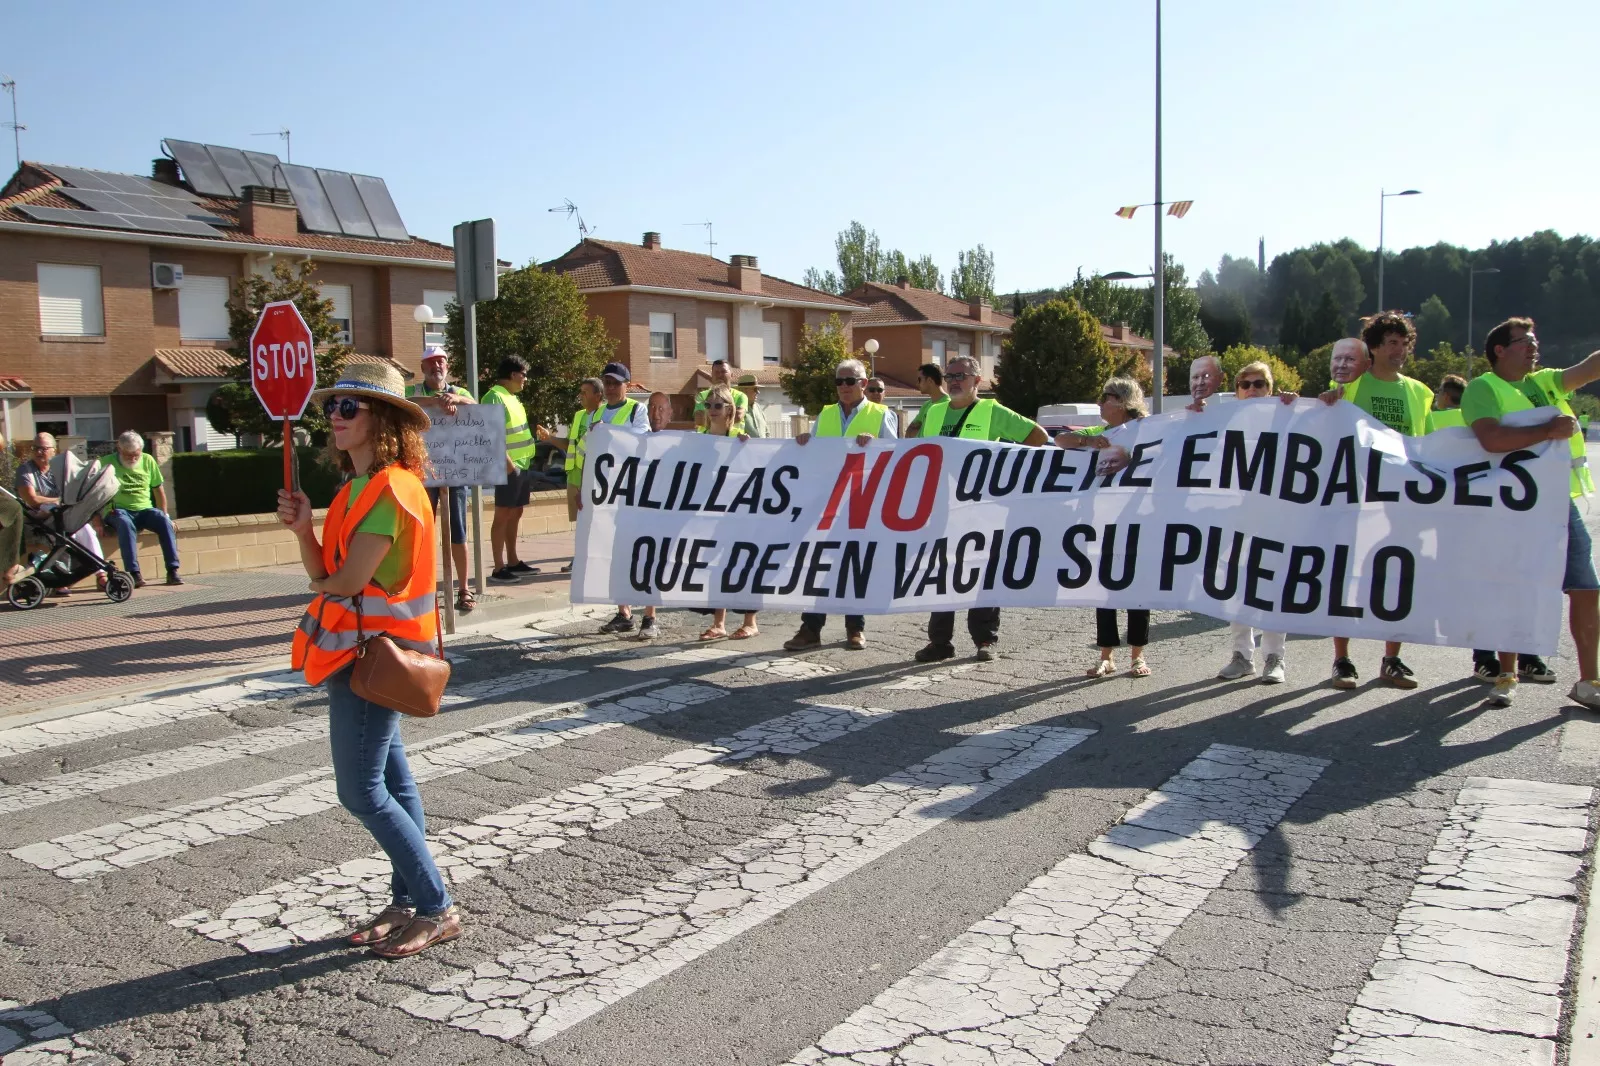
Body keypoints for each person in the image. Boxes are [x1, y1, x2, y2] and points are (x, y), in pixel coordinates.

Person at [276, 362, 460, 958]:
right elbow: (326, 573)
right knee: (393, 784)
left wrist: (325, 578)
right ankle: (408, 902)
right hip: (360, 653)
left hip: (376, 655)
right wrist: (305, 530)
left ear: (383, 420)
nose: (335, 415)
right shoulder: (355, 490)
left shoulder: (390, 488)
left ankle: (436, 906)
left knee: (360, 792)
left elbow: (347, 580)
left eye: (349, 406)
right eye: (333, 405)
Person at [1460, 318, 1600, 709]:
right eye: (1524, 341)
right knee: (1512, 586)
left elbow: (1591, 366)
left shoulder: (1544, 382)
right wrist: (1548, 430)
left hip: (1557, 503)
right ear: (1500, 350)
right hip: (1512, 506)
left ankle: (1590, 681)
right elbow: (1491, 439)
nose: (1533, 347)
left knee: (1586, 587)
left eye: (1535, 341)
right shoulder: (1483, 388)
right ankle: (1506, 674)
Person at [1321, 317, 1431, 690]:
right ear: (1374, 348)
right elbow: (1324, 425)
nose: (1399, 350)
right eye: (1391, 342)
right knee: (1346, 577)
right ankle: (1342, 659)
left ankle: (1391, 660)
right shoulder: (1350, 386)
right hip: (1354, 497)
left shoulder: (1419, 392)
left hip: (1401, 501)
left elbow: (1427, 445)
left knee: (1397, 577)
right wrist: (1325, 401)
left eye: (1404, 343)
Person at [915, 355, 1048, 662]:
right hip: (944, 506)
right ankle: (940, 642)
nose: (954, 381)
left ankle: (985, 639)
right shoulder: (934, 411)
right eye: (950, 376)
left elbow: (1038, 437)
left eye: (961, 375)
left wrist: (1004, 470)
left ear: (977, 380)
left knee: (982, 572)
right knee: (942, 572)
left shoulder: (991, 410)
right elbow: (921, 449)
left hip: (982, 509)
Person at [783, 358, 899, 652]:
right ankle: (811, 629)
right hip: (827, 501)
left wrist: (875, 443)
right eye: (839, 381)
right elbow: (815, 452)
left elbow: (895, 454)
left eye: (850, 381)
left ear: (863, 383)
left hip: (862, 501)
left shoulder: (881, 414)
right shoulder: (826, 414)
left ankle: (855, 628)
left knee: (853, 564)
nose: (844, 386)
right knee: (817, 564)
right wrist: (805, 440)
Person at [1058, 377, 1156, 677]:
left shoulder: (1149, 430)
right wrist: (1088, 442)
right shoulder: (1099, 432)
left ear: (1123, 401)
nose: (1099, 402)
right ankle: (1106, 656)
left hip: (1139, 520)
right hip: (1102, 521)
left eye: (1106, 397)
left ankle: (1138, 656)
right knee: (1104, 590)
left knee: (1137, 589)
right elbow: (1061, 439)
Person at [1215, 363, 1289, 684]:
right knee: (1237, 587)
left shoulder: (1287, 418)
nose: (1252, 389)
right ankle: (1242, 656)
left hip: (1275, 516)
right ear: (1237, 392)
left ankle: (1274, 657)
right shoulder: (1226, 422)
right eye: (1245, 385)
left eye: (1259, 384)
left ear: (1269, 389)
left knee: (1271, 586)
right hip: (1235, 516)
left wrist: (1296, 408)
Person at [405, 347, 476, 613]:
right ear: (423, 367)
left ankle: (464, 588)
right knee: (422, 531)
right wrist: (434, 402)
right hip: (423, 473)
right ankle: (422, 589)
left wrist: (456, 399)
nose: (437, 366)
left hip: (455, 472)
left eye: (441, 362)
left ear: (447, 366)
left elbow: (477, 407)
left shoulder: (460, 391)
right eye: (432, 362)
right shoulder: (414, 391)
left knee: (458, 531)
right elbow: (405, 403)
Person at [694, 385, 759, 641]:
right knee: (714, 565)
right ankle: (718, 623)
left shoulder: (739, 437)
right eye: (708, 405)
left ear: (729, 409)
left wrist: (748, 448)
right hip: (710, 511)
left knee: (743, 563)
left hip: (739, 512)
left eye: (718, 405)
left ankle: (750, 622)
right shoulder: (699, 438)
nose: (712, 410)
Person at [591, 363, 652, 634]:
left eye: (616, 383)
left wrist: (608, 431)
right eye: (607, 383)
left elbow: (642, 440)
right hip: (608, 492)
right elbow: (590, 450)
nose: (611, 388)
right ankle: (623, 612)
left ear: (627, 385)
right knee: (614, 553)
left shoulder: (637, 410)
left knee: (642, 551)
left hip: (635, 489)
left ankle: (649, 616)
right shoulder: (597, 413)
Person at [17, 432, 107, 594]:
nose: (38, 452)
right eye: (35, 448)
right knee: (65, 535)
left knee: (86, 530)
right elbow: (32, 499)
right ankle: (60, 579)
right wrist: (59, 501)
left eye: (43, 449)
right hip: (40, 518)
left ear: (54, 450)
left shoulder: (59, 469)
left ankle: (101, 574)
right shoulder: (25, 470)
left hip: (64, 514)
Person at [481, 356, 541, 585]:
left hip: (521, 465)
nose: (525, 379)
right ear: (513, 374)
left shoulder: (512, 398)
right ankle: (498, 568)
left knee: (516, 513)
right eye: (524, 375)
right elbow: (490, 435)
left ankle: (513, 561)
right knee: (502, 515)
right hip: (508, 467)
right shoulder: (494, 396)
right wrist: (508, 465)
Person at [536, 377, 604, 574]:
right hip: (574, 476)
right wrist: (550, 438)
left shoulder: (606, 415)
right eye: (580, 391)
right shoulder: (579, 415)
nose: (580, 396)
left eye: (585, 392)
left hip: (593, 477)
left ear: (598, 395)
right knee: (580, 522)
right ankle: (579, 558)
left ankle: (594, 560)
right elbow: (569, 444)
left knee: (595, 521)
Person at [98, 431, 181, 589]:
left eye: (136, 455)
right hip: (118, 510)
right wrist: (97, 521)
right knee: (125, 524)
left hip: (144, 509)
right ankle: (134, 572)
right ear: (119, 449)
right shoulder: (106, 463)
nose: (133, 459)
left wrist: (166, 515)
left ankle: (173, 570)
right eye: (128, 455)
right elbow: (94, 493)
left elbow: (158, 490)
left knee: (164, 522)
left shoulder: (148, 460)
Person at [694, 359, 748, 429]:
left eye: (723, 372)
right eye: (716, 372)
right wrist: (727, 416)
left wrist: (711, 418)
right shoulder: (702, 395)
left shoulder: (740, 396)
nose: (719, 375)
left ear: (732, 375)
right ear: (712, 375)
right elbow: (699, 419)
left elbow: (737, 417)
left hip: (733, 436)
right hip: (707, 436)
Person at [906, 363, 946, 436]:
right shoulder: (926, 405)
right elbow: (909, 433)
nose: (917, 384)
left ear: (930, 381)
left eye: (919, 379)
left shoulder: (949, 404)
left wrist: (919, 429)